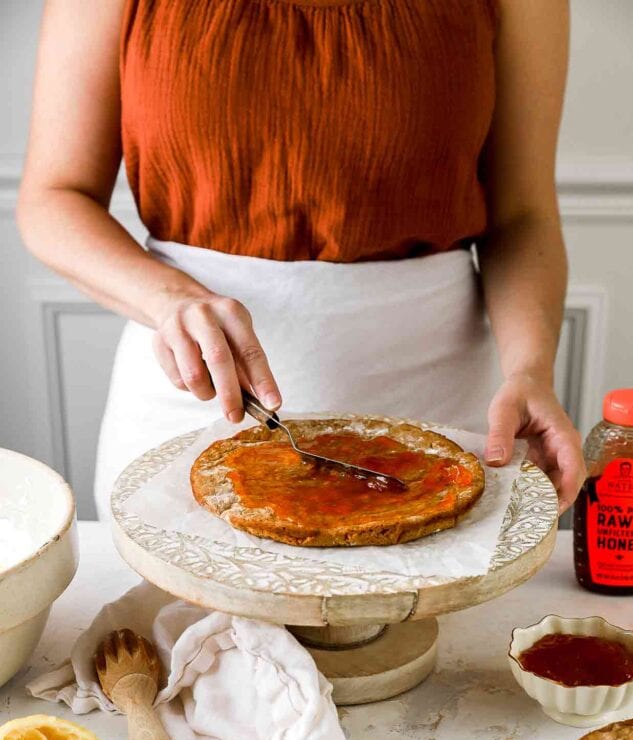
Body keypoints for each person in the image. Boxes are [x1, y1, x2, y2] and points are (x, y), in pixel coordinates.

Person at [18, 0, 585, 520]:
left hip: (436, 412)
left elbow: (522, 217)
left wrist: (530, 368)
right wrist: (169, 299)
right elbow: (53, 198)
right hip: (192, 400)